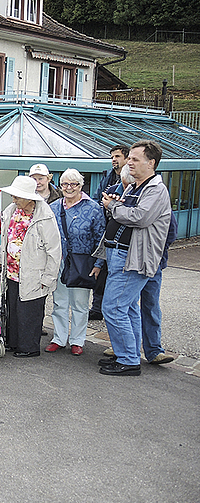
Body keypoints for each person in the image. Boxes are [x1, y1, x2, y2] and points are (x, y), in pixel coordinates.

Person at [96, 140, 171, 376]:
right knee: (127, 308)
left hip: (133, 259)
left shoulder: (156, 190)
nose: (129, 162)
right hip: (118, 255)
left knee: (113, 307)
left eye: (135, 159)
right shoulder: (134, 187)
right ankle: (126, 354)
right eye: (129, 158)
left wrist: (112, 206)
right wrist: (118, 204)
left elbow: (140, 217)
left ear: (151, 163)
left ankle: (128, 360)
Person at [0, 176, 61, 358]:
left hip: (34, 273)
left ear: (29, 197)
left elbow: (54, 250)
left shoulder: (44, 216)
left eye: (17, 196)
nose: (14, 199)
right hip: (11, 270)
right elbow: (5, 239)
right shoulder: (11, 210)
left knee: (30, 311)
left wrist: (49, 278)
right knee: (14, 308)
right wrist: (0, 259)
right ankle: (14, 342)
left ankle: (29, 347)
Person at [46, 169, 105, 356]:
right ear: (60, 185)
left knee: (80, 303)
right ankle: (59, 338)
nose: (69, 188)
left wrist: (98, 265)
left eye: (74, 184)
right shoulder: (54, 207)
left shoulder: (93, 208)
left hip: (82, 263)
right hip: (59, 261)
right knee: (59, 301)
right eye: (65, 184)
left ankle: (78, 340)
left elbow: (101, 238)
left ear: (81, 185)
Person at [90, 144, 130, 320]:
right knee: (100, 270)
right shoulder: (107, 177)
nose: (114, 160)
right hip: (105, 231)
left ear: (126, 158)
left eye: (118, 156)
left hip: (122, 240)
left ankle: (114, 311)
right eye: (112, 156)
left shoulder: (136, 184)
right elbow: (98, 198)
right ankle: (98, 307)